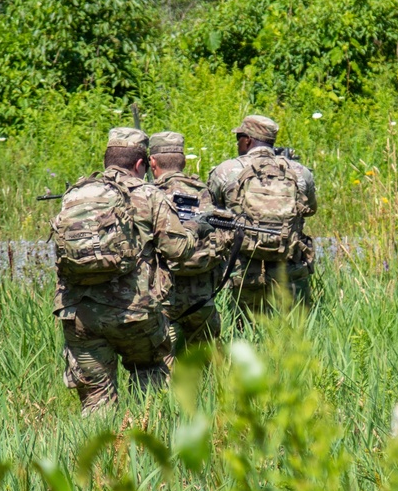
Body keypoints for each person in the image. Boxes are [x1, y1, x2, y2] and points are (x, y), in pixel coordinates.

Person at [51, 127, 215, 413]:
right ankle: (146, 443)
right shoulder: (149, 195)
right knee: (151, 378)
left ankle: (98, 453)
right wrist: (194, 229)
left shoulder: (76, 193)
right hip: (133, 313)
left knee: (96, 400)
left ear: (107, 159)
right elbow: (178, 252)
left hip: (78, 313)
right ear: (141, 164)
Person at [207, 114, 316, 316]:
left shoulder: (225, 170)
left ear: (247, 140)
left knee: (242, 330)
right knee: (293, 332)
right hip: (289, 265)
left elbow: (212, 210)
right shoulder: (300, 172)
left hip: (241, 268)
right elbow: (310, 209)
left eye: (238, 137)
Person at [148, 131, 225, 349]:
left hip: (164, 295)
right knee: (205, 356)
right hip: (202, 293)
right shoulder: (203, 191)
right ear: (182, 161)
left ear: (152, 162)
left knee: (163, 360)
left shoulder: (148, 194)